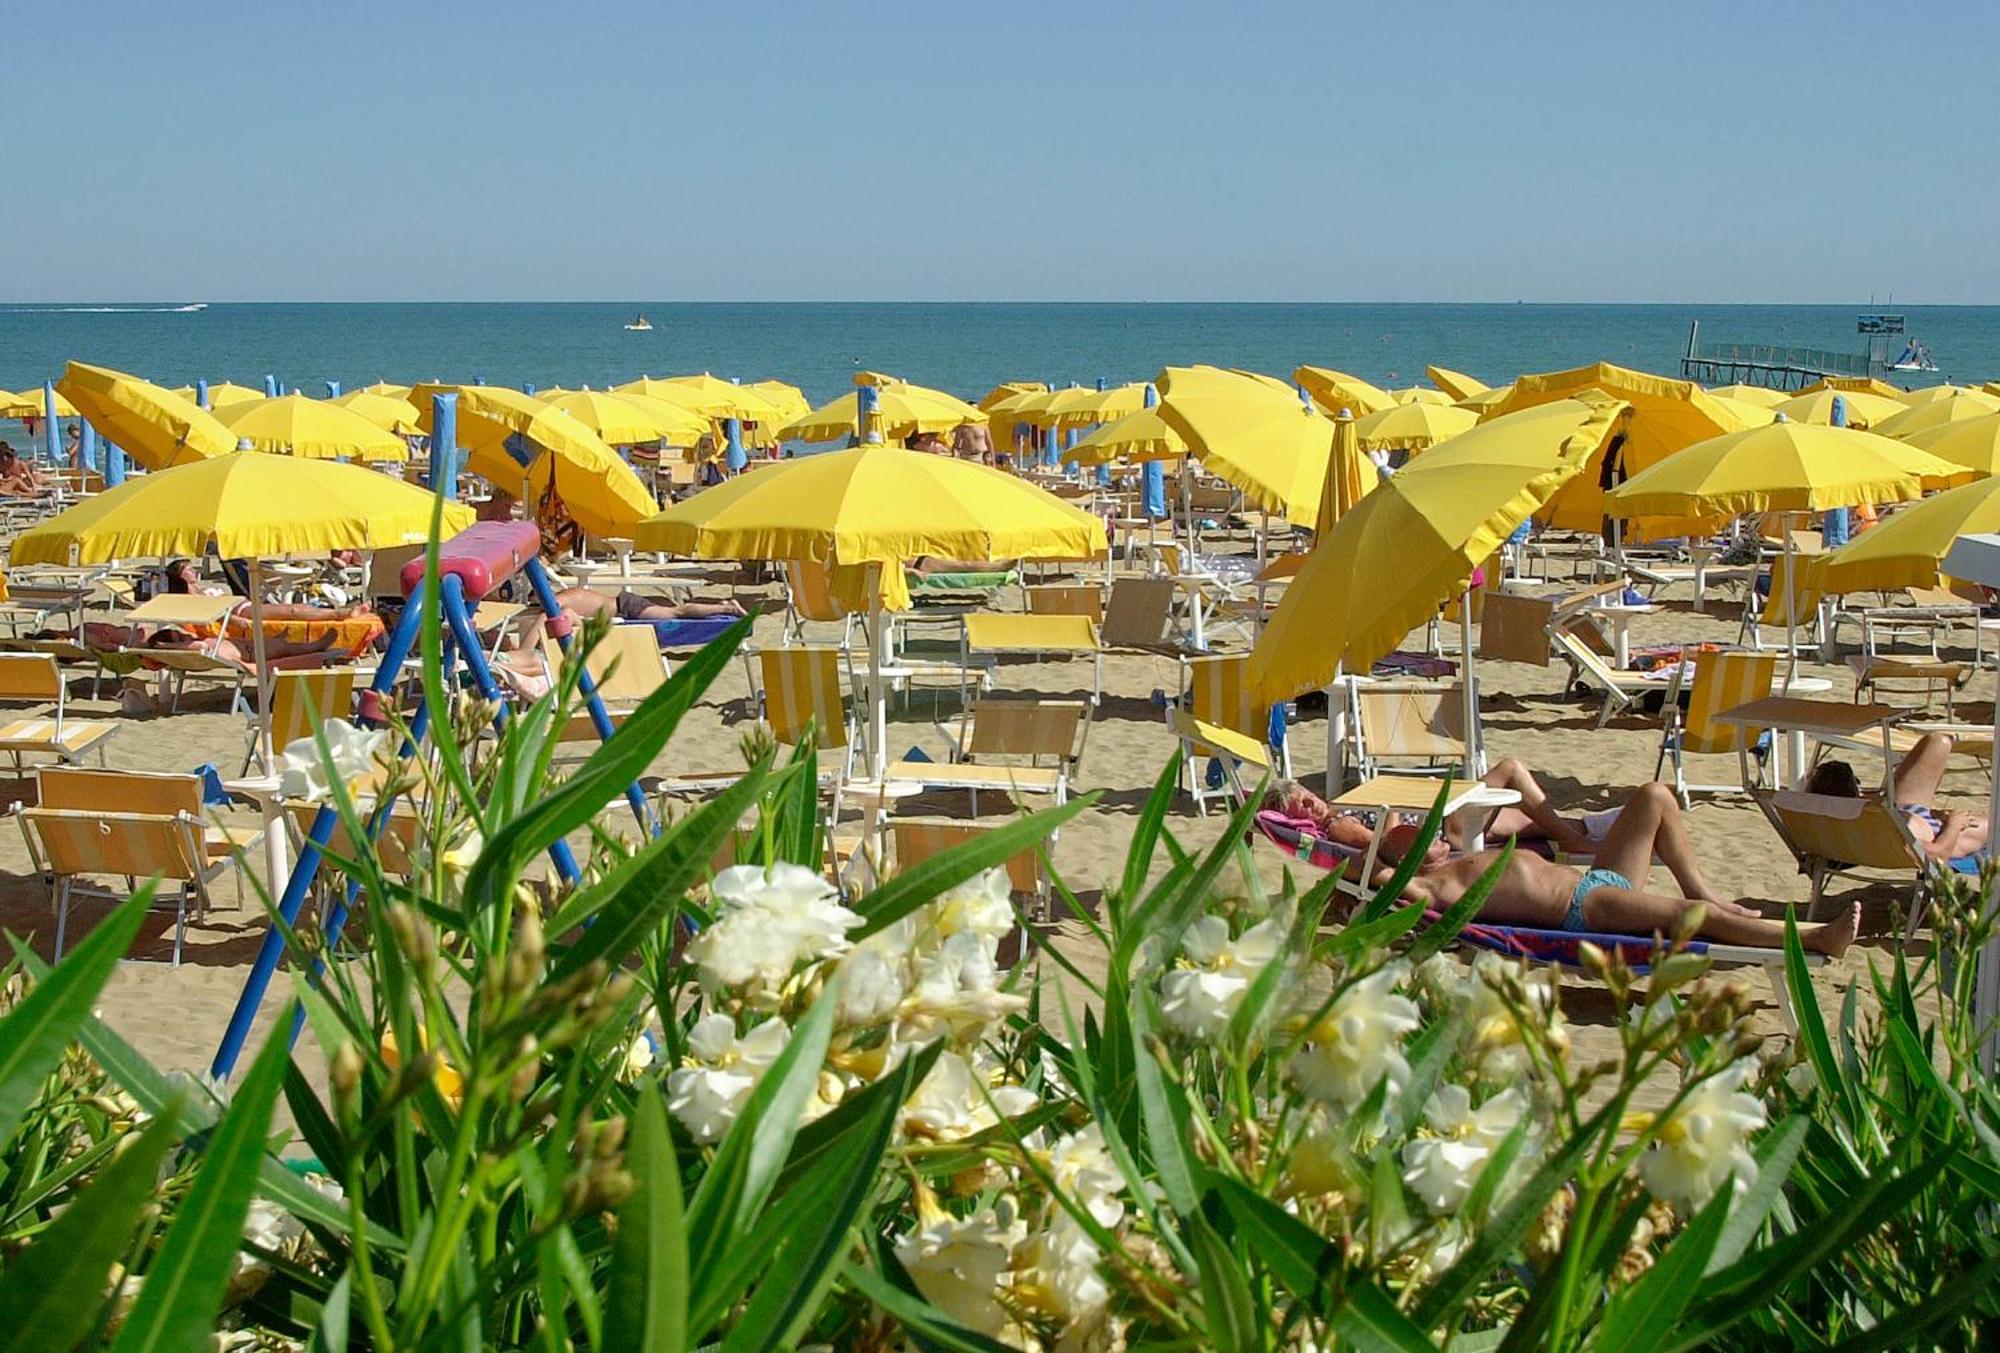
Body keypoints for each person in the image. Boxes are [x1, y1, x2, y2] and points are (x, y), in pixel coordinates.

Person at [1368, 781, 1859, 956]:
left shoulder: (1458, 853)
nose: (1430, 836)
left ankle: (1703, 888)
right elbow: (1369, 876)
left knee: (1654, 797)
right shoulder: (1426, 887)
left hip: (1595, 885)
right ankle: (1814, 938)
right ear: (1401, 859)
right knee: (1691, 917)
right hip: (1582, 908)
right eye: (1413, 838)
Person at [1806, 733, 1989, 861]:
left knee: (1937, 742)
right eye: (1856, 784)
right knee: (1991, 825)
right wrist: (1954, 824)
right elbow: (1936, 855)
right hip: (1934, 832)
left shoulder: (1823, 827)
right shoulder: (1873, 830)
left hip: (1898, 813)